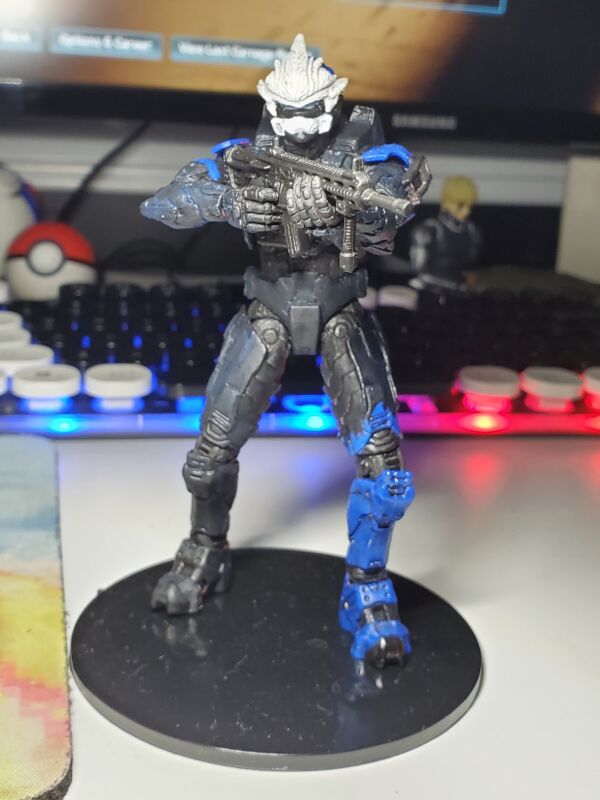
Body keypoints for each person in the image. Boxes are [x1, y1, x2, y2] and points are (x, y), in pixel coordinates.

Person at [141, 34, 430, 667]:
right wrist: (229, 202)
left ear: (334, 101)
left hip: (338, 310)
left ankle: (367, 586)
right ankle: (204, 549)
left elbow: (396, 192)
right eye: (287, 114)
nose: (299, 128)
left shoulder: (365, 154)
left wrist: (360, 211)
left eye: (312, 112)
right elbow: (165, 202)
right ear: (270, 106)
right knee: (208, 459)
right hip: (269, 310)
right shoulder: (246, 155)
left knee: (385, 470)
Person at [410, 175, 481, 290]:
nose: (467, 211)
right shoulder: (429, 229)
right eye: (461, 205)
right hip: (429, 289)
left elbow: (469, 264)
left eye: (469, 206)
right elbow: (418, 266)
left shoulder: (471, 230)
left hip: (457, 289)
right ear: (448, 202)